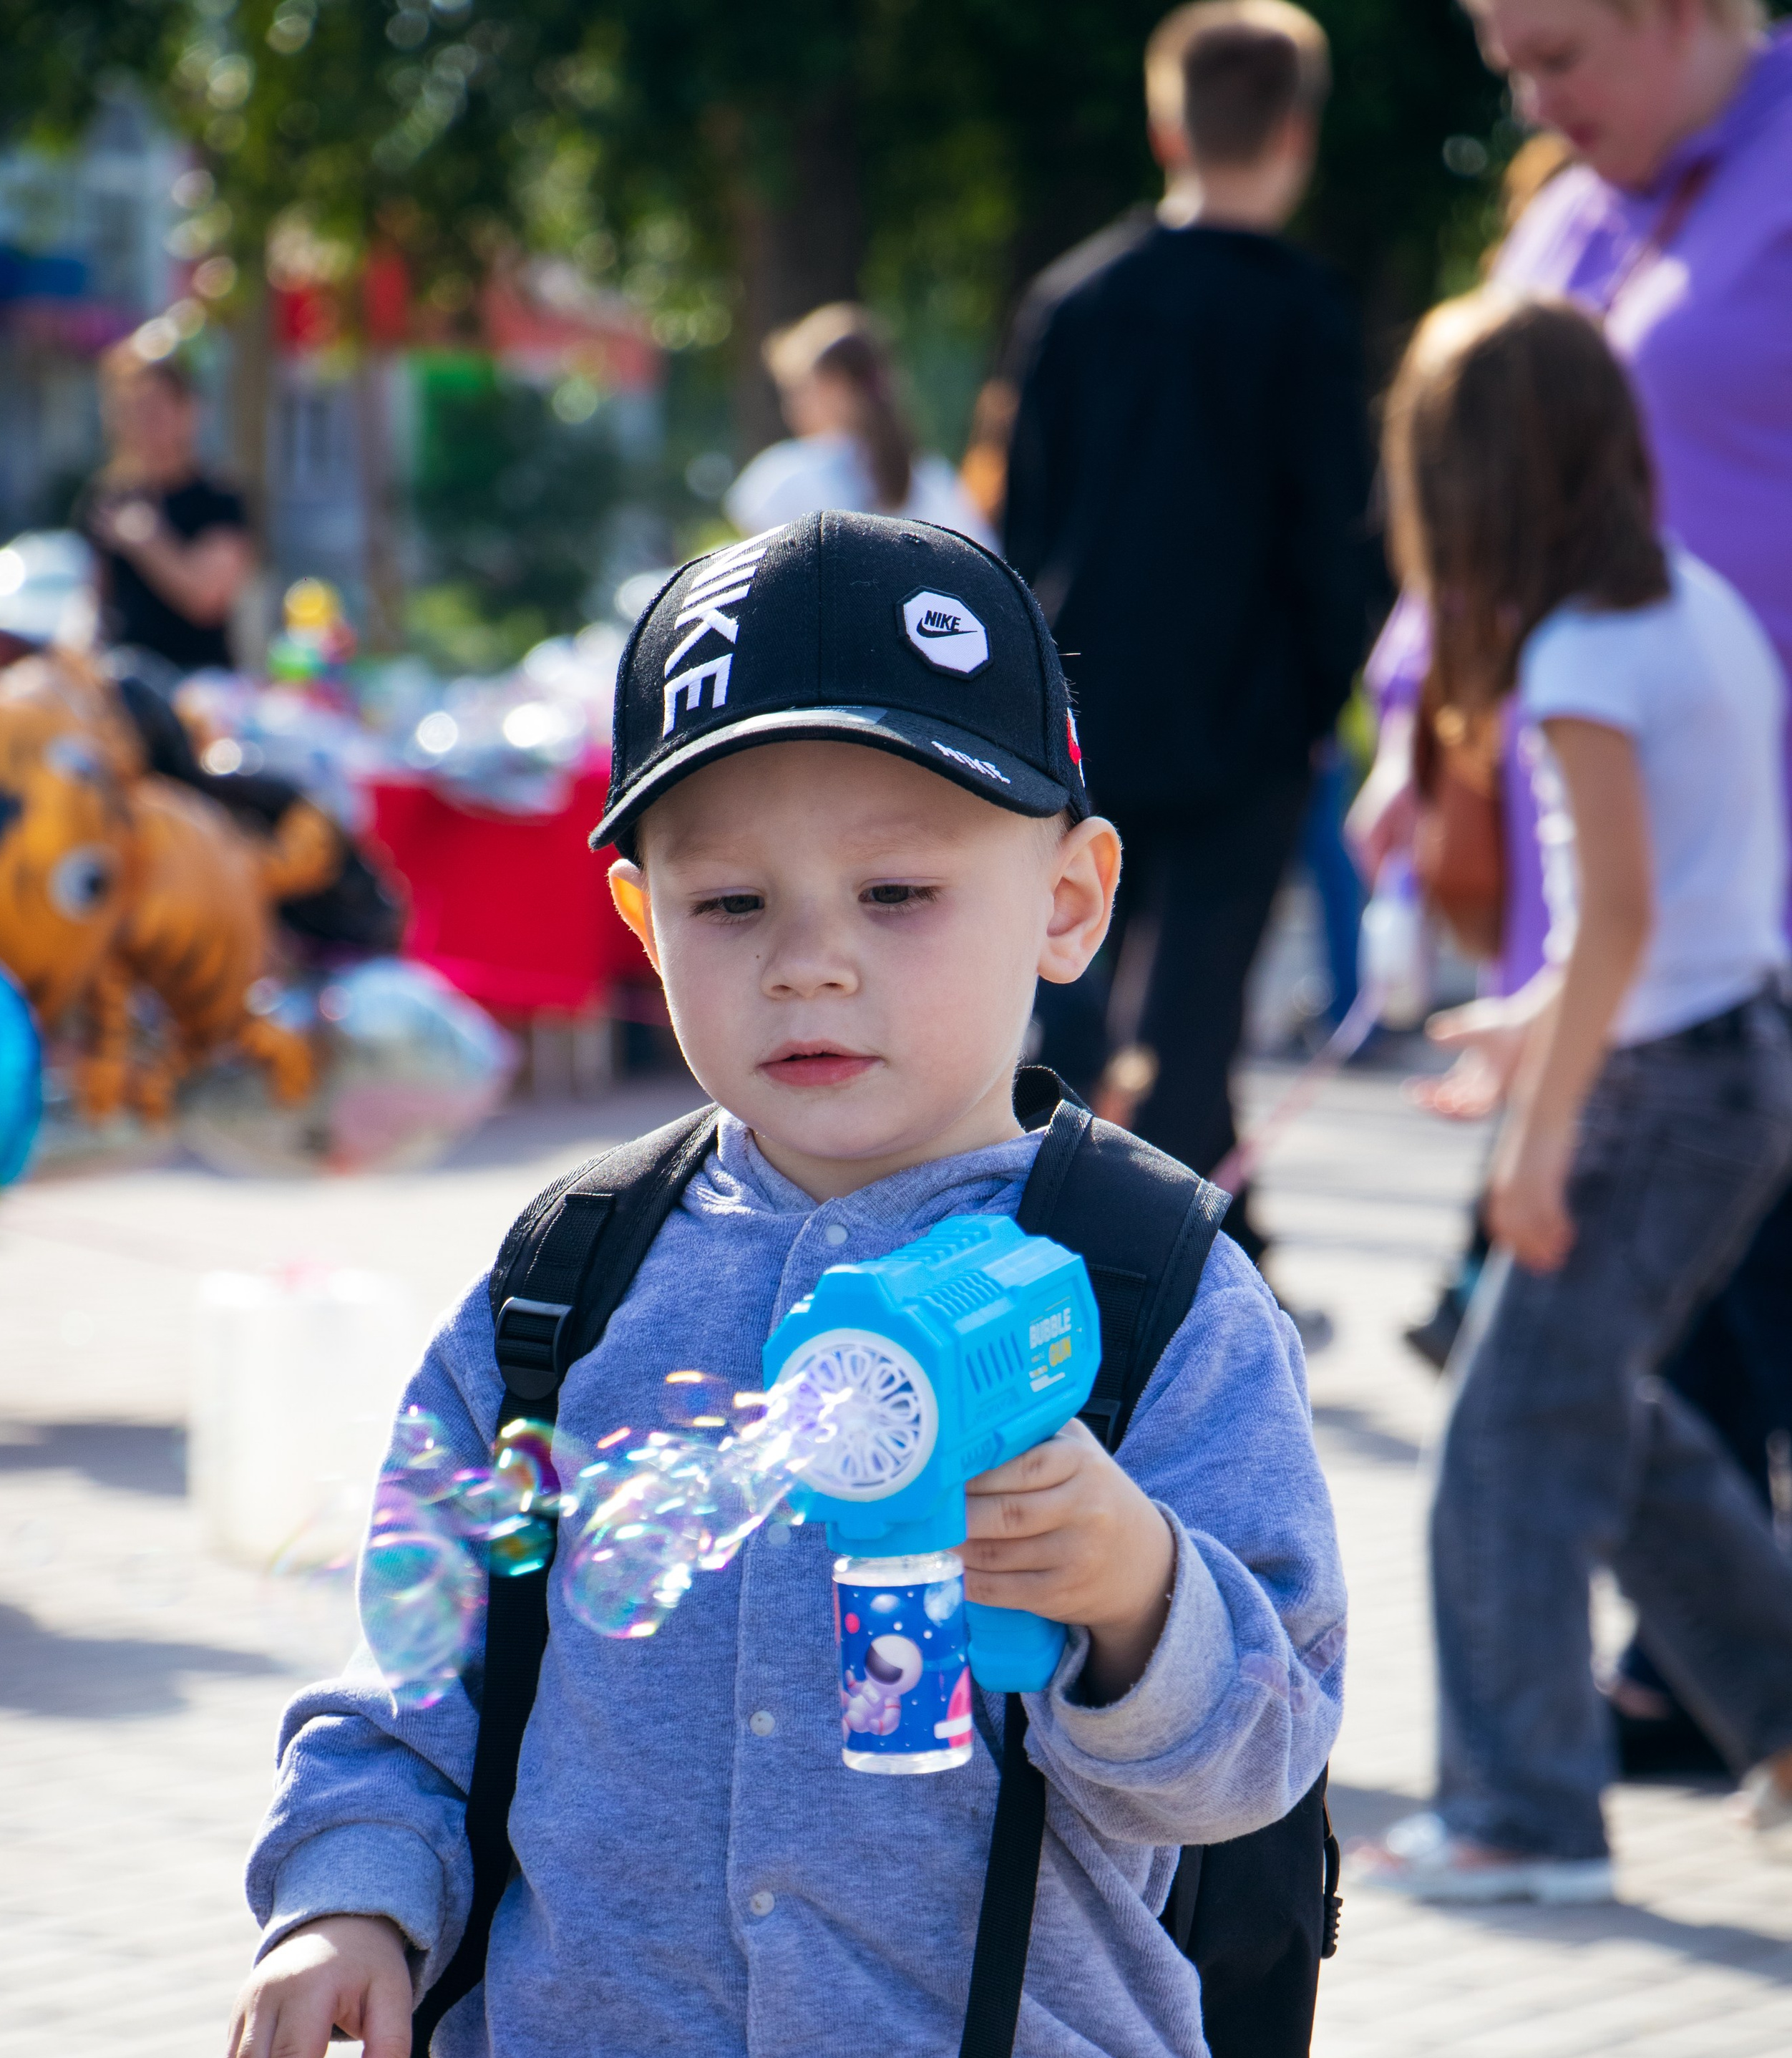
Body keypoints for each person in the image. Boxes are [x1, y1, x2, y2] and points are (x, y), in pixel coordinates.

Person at [223, 513, 1345, 2058]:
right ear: (638, 919)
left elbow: (1259, 1745)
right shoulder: (566, 1284)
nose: (811, 965)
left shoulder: (1145, 1293)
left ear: (1071, 898)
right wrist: (345, 1895)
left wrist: (1130, 1597)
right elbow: (420, 1658)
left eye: (898, 892)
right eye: (733, 901)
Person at [1351, 0, 1792, 1779]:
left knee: (1552, 1381)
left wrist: (1528, 1133)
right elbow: (1470, 522)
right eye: (1506, 64)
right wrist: (1408, 722)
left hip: (1694, 925)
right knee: (1605, 1369)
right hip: (1635, 935)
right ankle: (1728, 1697)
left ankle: (1536, 1797)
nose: (1530, 104)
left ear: (1681, 8)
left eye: (1557, 55)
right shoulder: (1568, 214)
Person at [1002, 0, 1375, 1263]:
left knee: (1071, 990)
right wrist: (1331, 695)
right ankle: (1192, 1271)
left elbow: (1026, 522)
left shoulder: (1075, 301)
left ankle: (1045, 1237)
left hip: (1086, 702)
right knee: (1198, 1006)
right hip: (1249, 713)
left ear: (1167, 123)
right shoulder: (1310, 314)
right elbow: (1334, 535)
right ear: (1299, 132)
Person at [725, 303, 996, 547]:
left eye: (797, 392)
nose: (789, 410)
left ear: (836, 386)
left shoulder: (785, 476)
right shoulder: (936, 481)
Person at [77, 340, 252, 674]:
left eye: (157, 408)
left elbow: (207, 599)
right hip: (122, 677)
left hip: (198, 680)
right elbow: (92, 601)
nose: (145, 423)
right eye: (133, 409)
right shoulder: (105, 496)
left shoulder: (220, 497)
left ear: (188, 411)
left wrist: (148, 542)